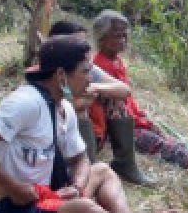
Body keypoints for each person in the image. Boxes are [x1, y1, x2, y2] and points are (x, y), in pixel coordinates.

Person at [0, 35, 188, 213]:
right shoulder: (26, 102)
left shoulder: (64, 107)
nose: (91, 80)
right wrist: (13, 187)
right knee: (84, 210)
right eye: (86, 72)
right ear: (61, 76)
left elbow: (80, 158)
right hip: (19, 209)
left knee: (102, 171)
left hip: (55, 197)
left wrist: (76, 186)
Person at [88, 9, 188, 181]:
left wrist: (144, 120)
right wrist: (139, 123)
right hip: (115, 129)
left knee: (172, 141)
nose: (123, 40)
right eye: (117, 36)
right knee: (162, 146)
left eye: (125, 35)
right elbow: (115, 109)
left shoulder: (116, 61)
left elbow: (130, 103)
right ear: (102, 37)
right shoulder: (98, 66)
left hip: (132, 122)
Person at [47, 19, 131, 163]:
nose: (84, 49)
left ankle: (125, 164)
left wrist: (96, 87)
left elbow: (124, 90)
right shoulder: (47, 70)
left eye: (85, 44)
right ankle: (87, 166)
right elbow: (50, 108)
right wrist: (80, 104)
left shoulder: (84, 66)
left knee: (117, 99)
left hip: (89, 133)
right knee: (79, 110)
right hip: (54, 136)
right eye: (78, 43)